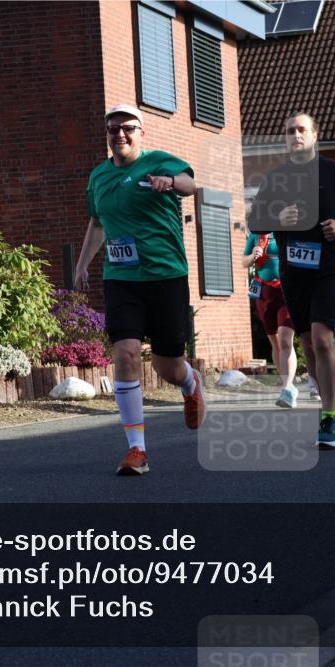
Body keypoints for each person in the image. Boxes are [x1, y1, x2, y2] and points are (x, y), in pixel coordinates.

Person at [74, 104, 204, 476]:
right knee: (126, 352)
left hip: (165, 276)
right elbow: (97, 223)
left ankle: (191, 384)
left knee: (168, 365)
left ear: (141, 132)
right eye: (113, 129)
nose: (120, 135)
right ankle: (137, 449)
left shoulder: (159, 161)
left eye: (128, 128)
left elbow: (191, 185)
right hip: (122, 278)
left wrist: (170, 182)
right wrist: (83, 265)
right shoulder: (98, 176)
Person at [247, 112, 335, 449]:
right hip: (294, 271)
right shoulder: (276, 178)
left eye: (302, 129)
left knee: (321, 337)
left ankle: (330, 415)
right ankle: (329, 405)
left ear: (315, 135)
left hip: (329, 267)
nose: (296, 135)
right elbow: (256, 220)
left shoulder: (333, 171)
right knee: (307, 343)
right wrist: (277, 217)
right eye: (290, 131)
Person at [242, 231, 298, 407]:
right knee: (274, 342)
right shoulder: (255, 236)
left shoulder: (283, 233)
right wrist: (253, 255)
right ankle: (285, 383)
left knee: (285, 340)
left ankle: (288, 388)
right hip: (264, 292)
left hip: (285, 290)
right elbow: (244, 262)